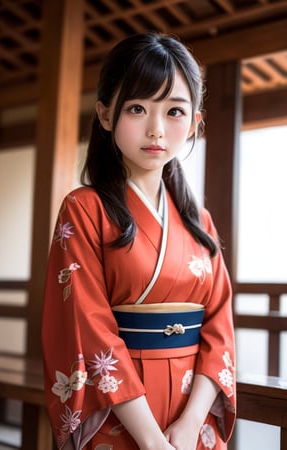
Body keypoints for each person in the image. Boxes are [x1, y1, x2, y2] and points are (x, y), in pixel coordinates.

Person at [42, 31, 236, 450]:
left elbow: (219, 328)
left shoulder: (199, 220)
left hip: (192, 420)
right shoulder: (83, 209)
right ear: (105, 115)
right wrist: (150, 439)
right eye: (137, 108)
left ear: (195, 122)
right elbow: (89, 328)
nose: (156, 129)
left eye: (174, 111)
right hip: (121, 417)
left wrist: (189, 426)